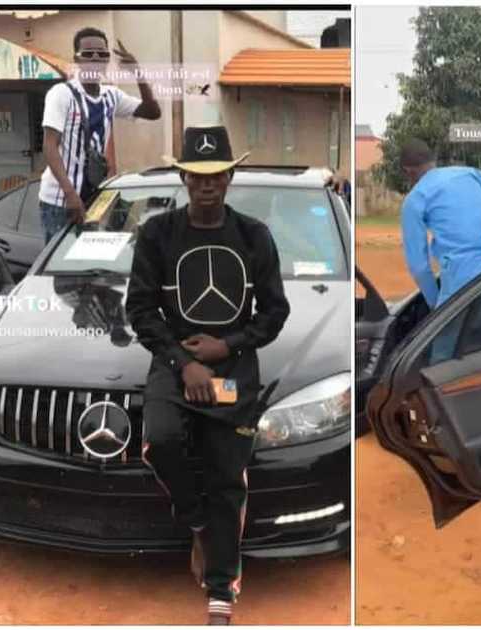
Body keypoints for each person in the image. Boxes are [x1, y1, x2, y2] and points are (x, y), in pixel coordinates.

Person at [126, 126, 290, 625]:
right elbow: (141, 310)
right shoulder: (157, 233)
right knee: (160, 440)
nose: (207, 184)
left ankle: (221, 593)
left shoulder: (253, 235)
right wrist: (185, 362)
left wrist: (227, 344)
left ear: (231, 176)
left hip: (234, 371)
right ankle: (197, 524)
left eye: (217, 174)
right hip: (176, 366)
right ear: (182, 177)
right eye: (196, 176)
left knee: (226, 477)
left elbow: (274, 312)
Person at [39, 27, 161, 243]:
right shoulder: (61, 94)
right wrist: (70, 194)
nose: (95, 59)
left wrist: (137, 73)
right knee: (61, 269)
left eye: (102, 54)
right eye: (88, 54)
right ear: (76, 58)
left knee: (90, 265)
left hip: (94, 200)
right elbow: (50, 147)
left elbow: (153, 112)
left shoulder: (110, 95)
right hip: (60, 201)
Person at [400, 138, 481, 308]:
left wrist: (436, 307)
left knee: (445, 334)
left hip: (460, 283)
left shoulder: (415, 198)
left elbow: (419, 267)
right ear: (433, 161)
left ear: (408, 171)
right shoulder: (472, 174)